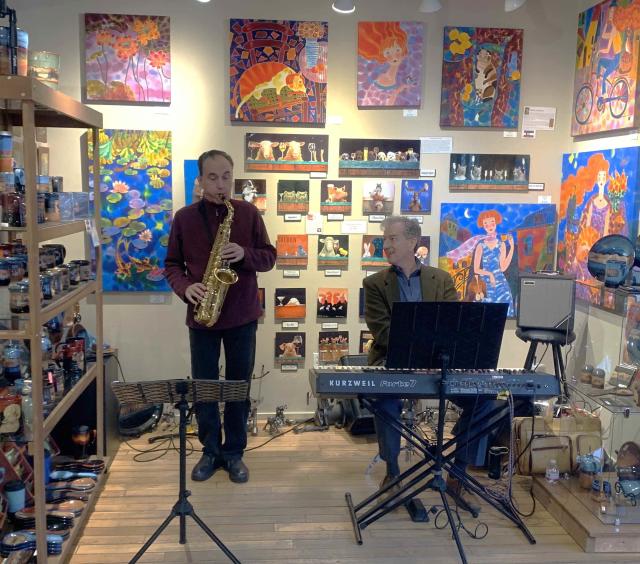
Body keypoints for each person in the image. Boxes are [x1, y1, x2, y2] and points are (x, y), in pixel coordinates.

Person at [363, 216, 501, 514]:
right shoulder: (374, 284)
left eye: (392, 238)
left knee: (484, 398)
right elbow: (383, 333)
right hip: (394, 363)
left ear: (413, 242)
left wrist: (436, 358)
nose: (386, 245)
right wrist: (417, 357)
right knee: (385, 400)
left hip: (438, 365)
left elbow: (453, 326)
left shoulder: (441, 279)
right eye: (385, 239)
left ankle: (458, 475)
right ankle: (393, 474)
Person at [165, 149, 276, 484]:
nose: (221, 184)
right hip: (203, 315)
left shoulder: (248, 213)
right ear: (200, 180)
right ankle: (210, 450)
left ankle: (234, 452)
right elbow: (172, 265)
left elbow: (269, 257)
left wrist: (244, 253)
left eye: (226, 176)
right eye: (212, 177)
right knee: (205, 387)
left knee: (239, 386)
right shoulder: (184, 218)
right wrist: (186, 287)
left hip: (242, 315)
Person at [473, 210, 515, 317]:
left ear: (496, 223)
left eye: (492, 222)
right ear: (483, 226)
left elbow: (503, 268)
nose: (489, 226)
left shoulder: (501, 244)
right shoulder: (480, 245)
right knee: (487, 314)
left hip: (501, 283)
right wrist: (490, 274)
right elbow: (476, 269)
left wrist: (512, 247)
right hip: (486, 284)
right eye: (486, 224)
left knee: (505, 311)